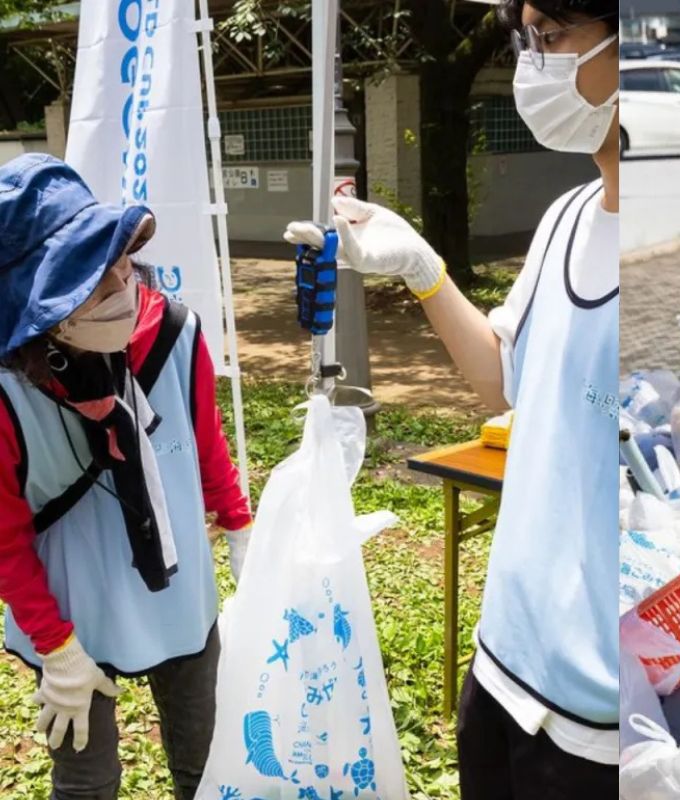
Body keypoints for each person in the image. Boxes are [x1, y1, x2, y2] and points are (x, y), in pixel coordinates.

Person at [284, 0, 618, 795]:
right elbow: (503, 380)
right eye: (525, 38)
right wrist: (419, 265)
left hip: (599, 710)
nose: (532, 62)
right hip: (504, 657)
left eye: (554, 36)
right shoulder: (566, 218)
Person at [0, 154, 252, 799]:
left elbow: (203, 439)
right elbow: (4, 537)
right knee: (86, 781)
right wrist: (55, 647)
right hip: (73, 605)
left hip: (179, 590)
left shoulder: (175, 330)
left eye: (118, 261)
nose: (121, 285)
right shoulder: (7, 391)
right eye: (88, 278)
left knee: (207, 762)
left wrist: (239, 526)